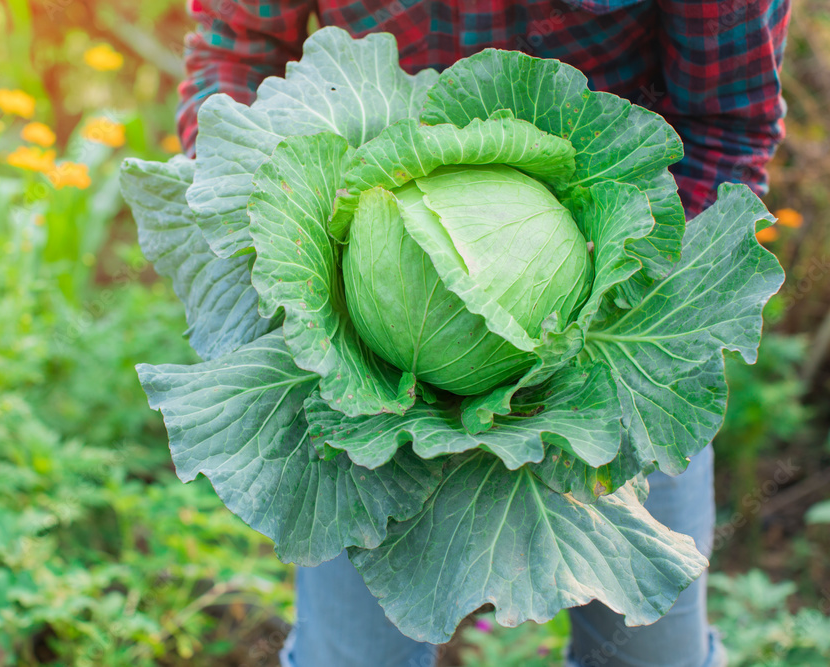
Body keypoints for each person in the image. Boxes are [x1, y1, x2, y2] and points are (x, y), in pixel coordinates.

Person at [174, 1, 790, 665]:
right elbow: (233, 56)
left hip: (616, 348)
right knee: (347, 658)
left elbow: (727, 126)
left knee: (650, 656)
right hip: (355, 366)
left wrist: (624, 299)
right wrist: (283, 249)